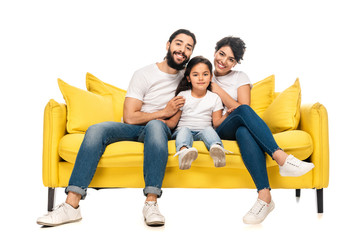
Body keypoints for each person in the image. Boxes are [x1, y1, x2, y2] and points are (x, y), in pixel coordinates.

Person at [37, 29, 197, 227]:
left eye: (188, 47)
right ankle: (71, 206)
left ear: (191, 53)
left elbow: (174, 121)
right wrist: (163, 112)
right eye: (179, 44)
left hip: (160, 129)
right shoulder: (144, 74)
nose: (182, 50)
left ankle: (151, 203)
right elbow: (129, 117)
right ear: (168, 45)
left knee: (156, 126)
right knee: (96, 129)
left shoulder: (190, 79)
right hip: (134, 128)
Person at [211, 37, 315, 224]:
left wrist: (217, 90)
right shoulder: (201, 73)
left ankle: (264, 197)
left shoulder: (239, 77)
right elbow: (238, 109)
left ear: (235, 63)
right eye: (222, 54)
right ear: (215, 51)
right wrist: (230, 105)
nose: (224, 61)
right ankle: (282, 158)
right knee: (242, 115)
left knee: (243, 129)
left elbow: (244, 108)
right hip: (216, 130)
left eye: (231, 59)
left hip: (236, 125)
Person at [160, 56, 231, 170]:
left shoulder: (215, 98)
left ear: (211, 77)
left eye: (205, 74)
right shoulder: (183, 95)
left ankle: (217, 149)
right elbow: (173, 122)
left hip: (202, 133)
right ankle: (184, 152)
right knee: (184, 130)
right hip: (181, 131)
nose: (201, 78)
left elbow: (217, 123)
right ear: (189, 78)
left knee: (209, 130)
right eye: (195, 75)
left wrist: (227, 115)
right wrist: (163, 122)